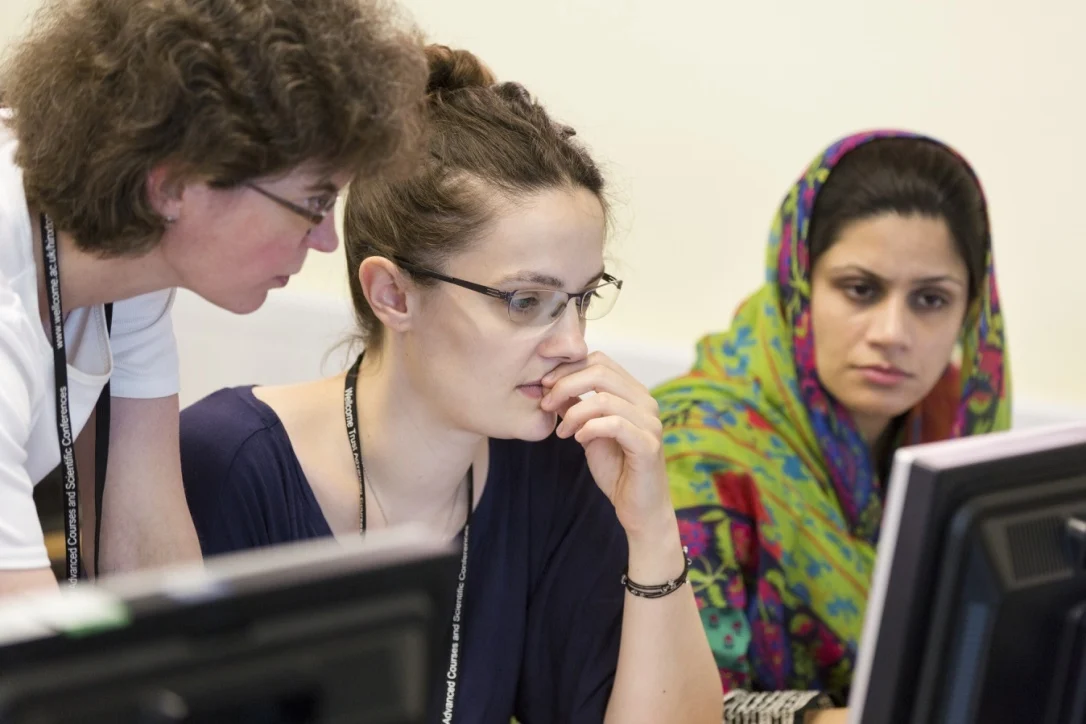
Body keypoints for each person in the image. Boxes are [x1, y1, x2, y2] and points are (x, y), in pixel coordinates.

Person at [180, 45, 722, 723]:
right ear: (393, 294)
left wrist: (653, 529)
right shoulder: (225, 465)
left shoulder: (554, 463)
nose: (574, 345)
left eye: (585, 297)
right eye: (526, 301)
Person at [0, 0, 428, 595]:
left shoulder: (131, 259)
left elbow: (149, 550)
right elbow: (31, 649)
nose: (329, 240)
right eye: (312, 203)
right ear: (174, 184)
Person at [653, 131, 1009, 721]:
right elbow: (674, 708)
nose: (892, 332)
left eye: (930, 300)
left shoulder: (955, 440)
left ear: (970, 313)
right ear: (799, 287)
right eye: (860, 290)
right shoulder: (695, 453)